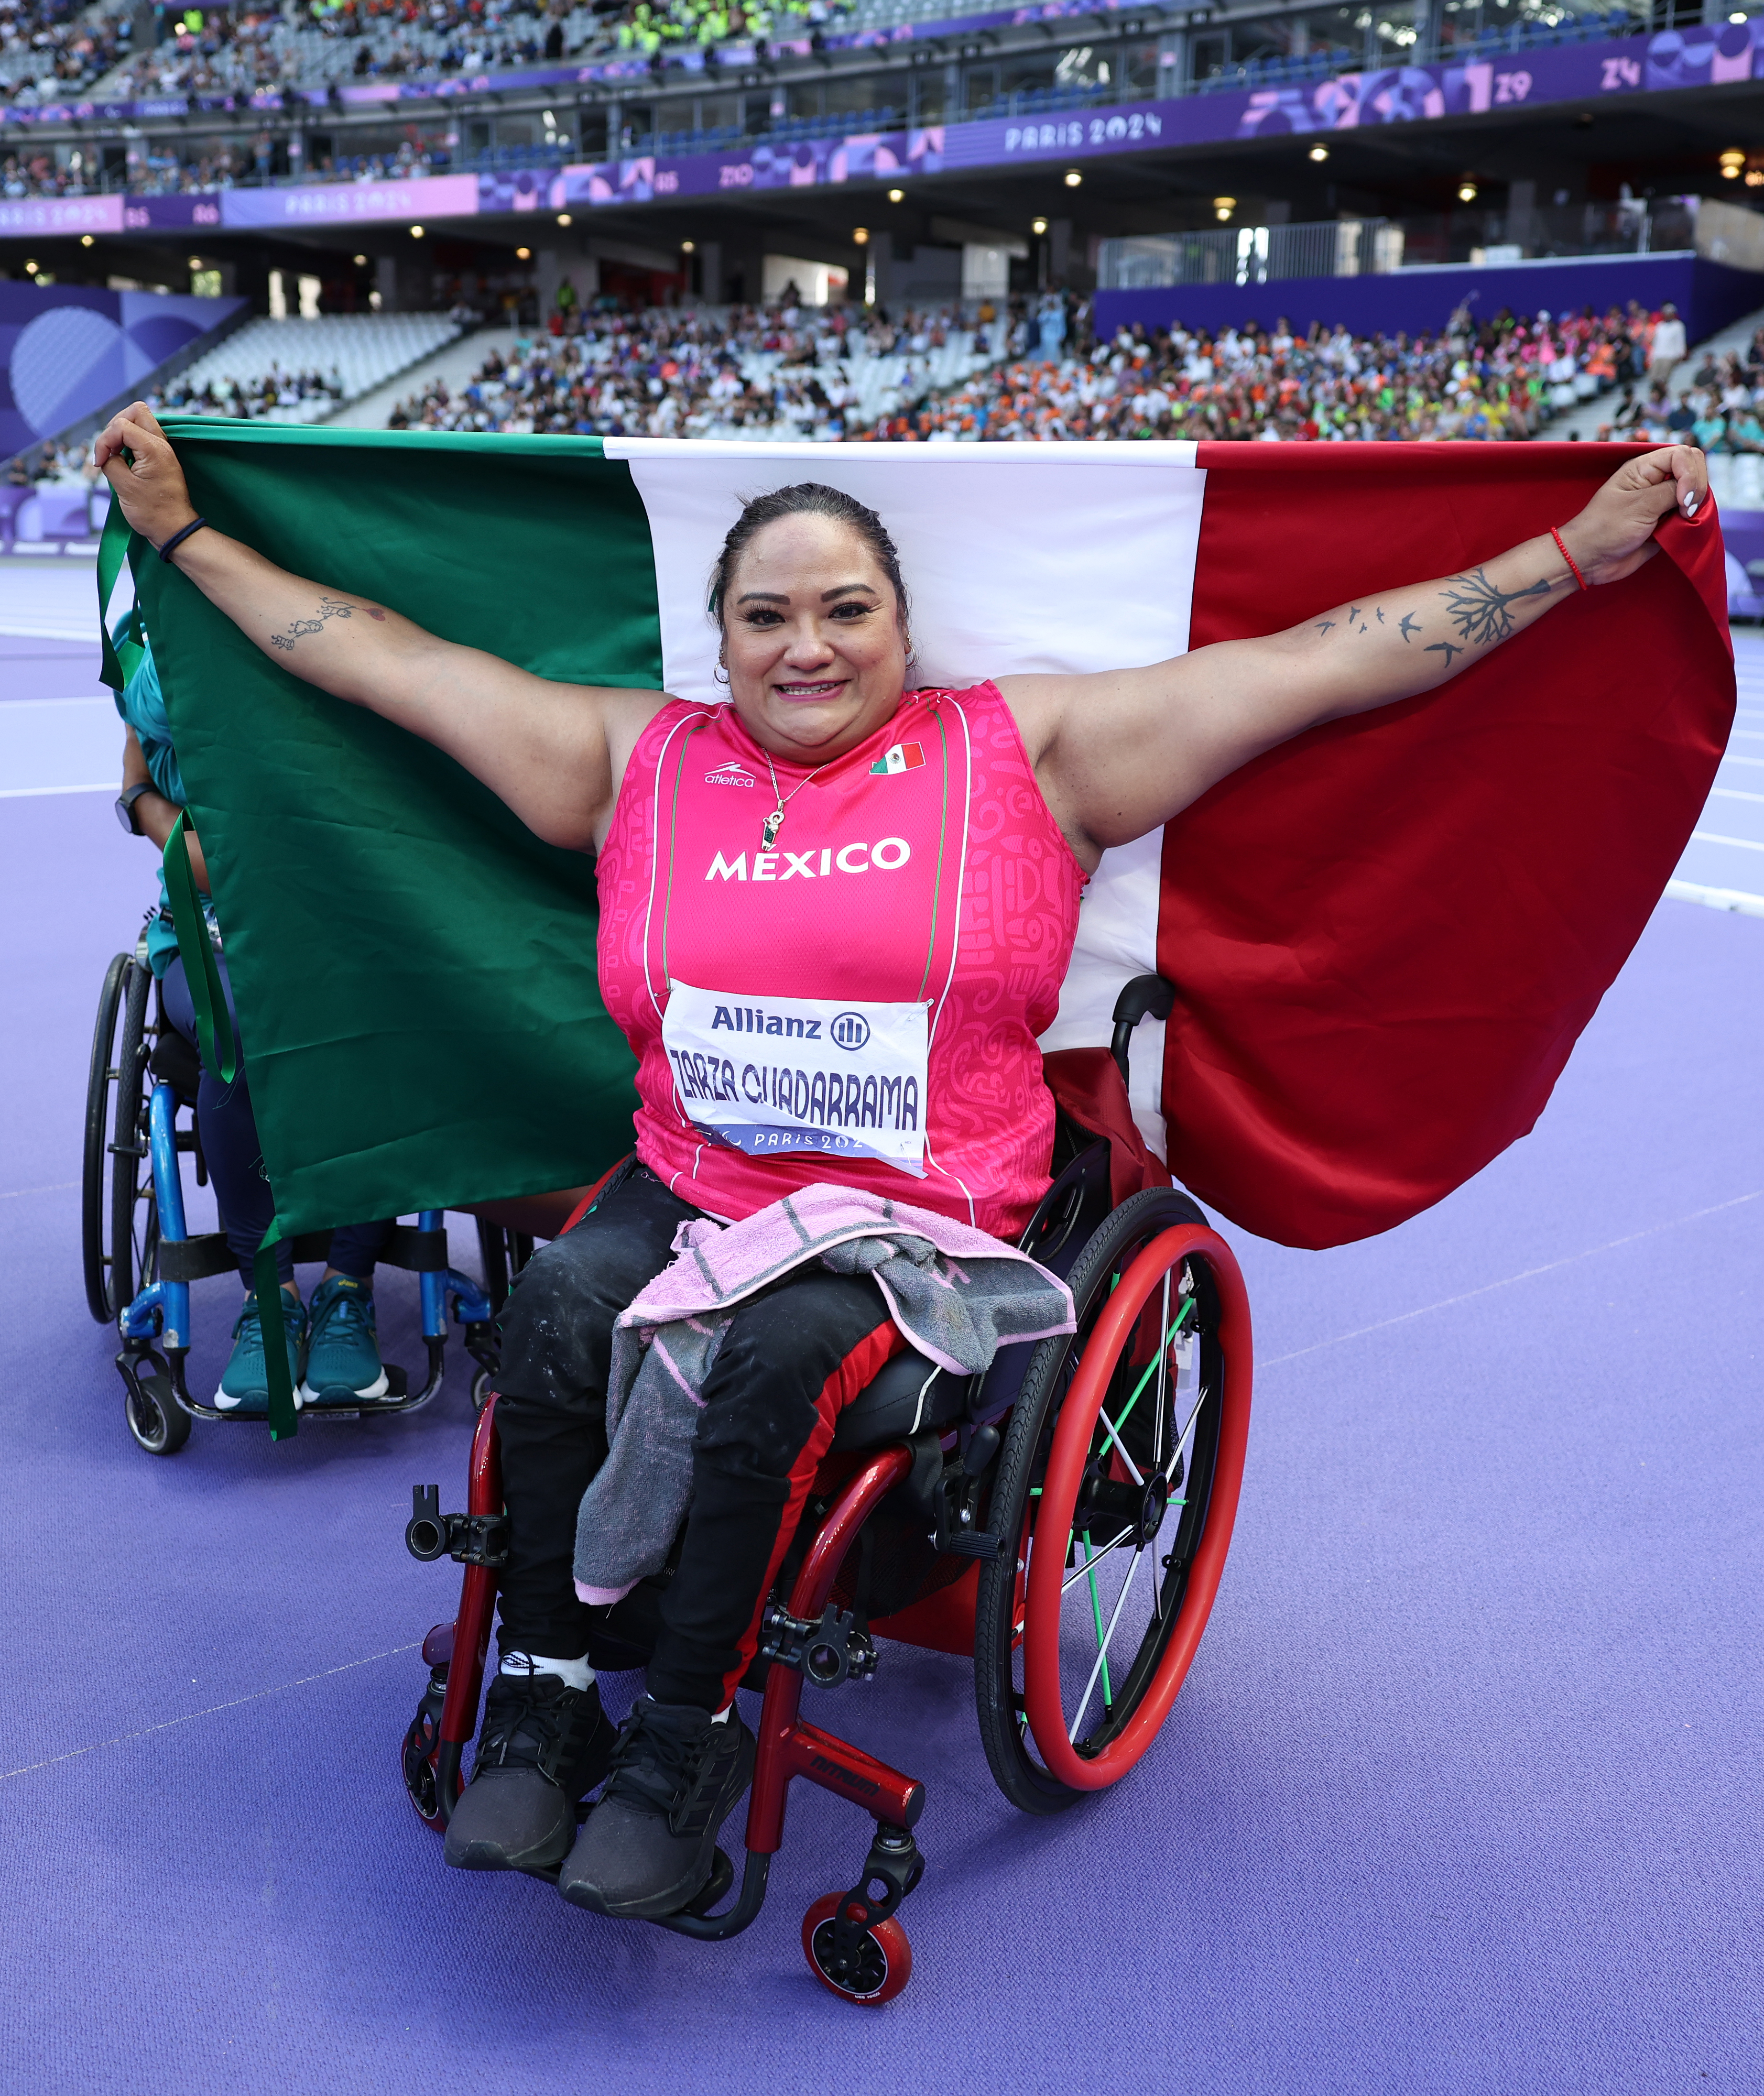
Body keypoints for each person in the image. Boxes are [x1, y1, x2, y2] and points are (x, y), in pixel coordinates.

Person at [94, 400, 1707, 1920]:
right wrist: (183, 539)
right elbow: (384, 661)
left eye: (844, 610)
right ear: (715, 640)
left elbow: (1311, 666)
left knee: (782, 1361)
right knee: (557, 1320)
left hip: (913, 1216)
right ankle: (538, 1696)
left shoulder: (1031, 755)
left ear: (901, 626)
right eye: (767, 617)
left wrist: (1563, 559)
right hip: (698, 1183)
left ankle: (684, 1733)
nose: (806, 646)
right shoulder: (633, 760)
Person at [113, 629, 397, 1412]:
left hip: (341, 912)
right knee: (235, 1028)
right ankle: (265, 1298)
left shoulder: (324, 612)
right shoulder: (147, 632)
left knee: (387, 1015)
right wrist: (149, 810)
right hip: (209, 932)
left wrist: (161, 816)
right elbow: (144, 784)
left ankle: (347, 1289)